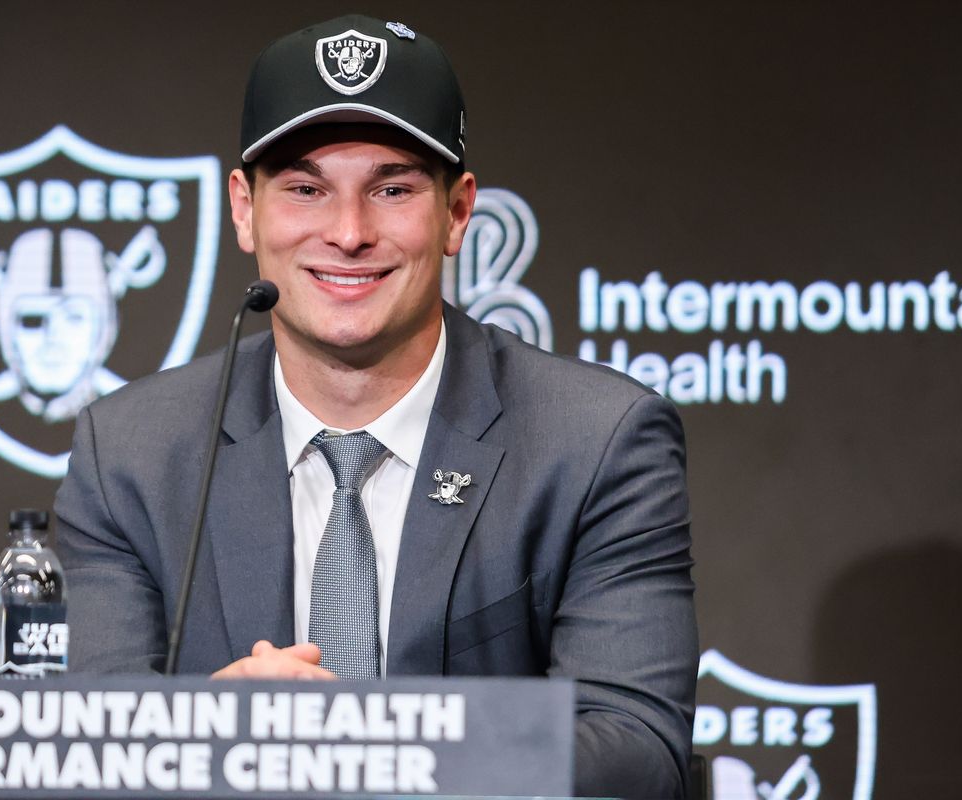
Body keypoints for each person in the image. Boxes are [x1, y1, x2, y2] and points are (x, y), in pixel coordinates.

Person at [55, 14, 697, 797]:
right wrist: (212, 732)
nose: (349, 232)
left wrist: (373, 750)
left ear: (458, 213)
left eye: (391, 188)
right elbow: (85, 746)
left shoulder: (595, 441)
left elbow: (636, 752)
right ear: (245, 209)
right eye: (304, 189)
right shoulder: (128, 453)